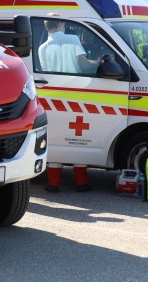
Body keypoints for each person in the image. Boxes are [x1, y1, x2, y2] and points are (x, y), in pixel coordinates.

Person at [38, 13, 98, 193]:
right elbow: (83, 63)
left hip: (55, 97)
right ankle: (81, 182)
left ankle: (54, 183)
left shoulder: (42, 48)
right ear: (62, 24)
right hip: (78, 93)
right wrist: (100, 63)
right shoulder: (72, 39)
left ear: (46, 27)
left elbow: (47, 74)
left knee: (57, 136)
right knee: (79, 137)